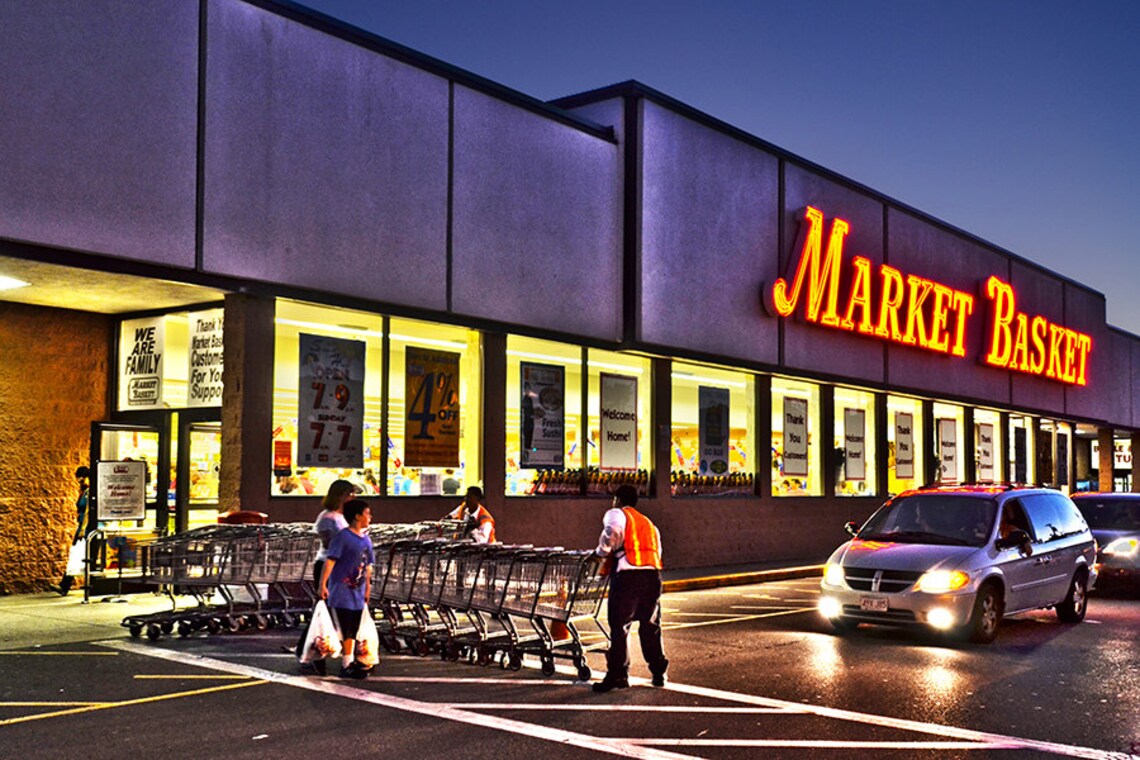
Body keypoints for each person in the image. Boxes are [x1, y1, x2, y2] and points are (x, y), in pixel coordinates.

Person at [592, 484, 668, 693]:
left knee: (620, 626)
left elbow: (612, 532)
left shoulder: (617, 514)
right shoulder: (649, 523)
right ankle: (658, 670)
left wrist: (601, 551)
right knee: (650, 625)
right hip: (652, 576)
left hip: (628, 577)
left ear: (617, 499)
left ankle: (618, 674)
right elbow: (657, 550)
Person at [295, 478, 356, 671]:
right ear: (342, 496)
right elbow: (333, 546)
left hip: (343, 567)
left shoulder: (343, 517)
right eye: (350, 494)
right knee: (327, 610)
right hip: (328, 567)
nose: (353, 498)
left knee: (338, 611)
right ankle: (313, 650)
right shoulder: (328, 519)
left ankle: (318, 650)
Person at [319, 498, 375, 679]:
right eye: (367, 514)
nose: (370, 517)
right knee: (346, 625)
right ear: (357, 516)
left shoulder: (366, 540)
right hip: (342, 589)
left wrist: (368, 587)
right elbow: (330, 561)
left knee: (354, 625)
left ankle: (351, 660)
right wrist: (323, 584)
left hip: (358, 591)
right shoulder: (343, 537)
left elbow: (368, 567)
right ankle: (346, 663)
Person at [55, 466, 91, 595]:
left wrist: (83, 529)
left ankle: (65, 585)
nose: (80, 482)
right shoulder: (85, 491)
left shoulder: (91, 492)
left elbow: (87, 512)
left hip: (86, 528)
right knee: (77, 555)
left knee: (81, 555)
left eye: (81, 479)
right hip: (82, 526)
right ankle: (65, 584)